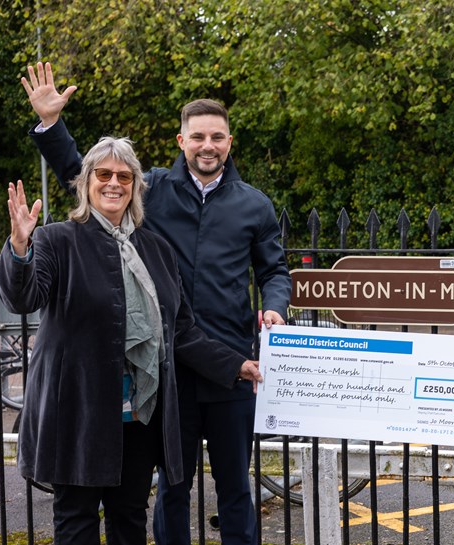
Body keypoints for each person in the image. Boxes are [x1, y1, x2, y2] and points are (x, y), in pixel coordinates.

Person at [21, 62, 292, 545]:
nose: (208, 145)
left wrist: (275, 305)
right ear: (180, 141)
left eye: (218, 137)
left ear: (230, 143)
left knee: (235, 489)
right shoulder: (154, 190)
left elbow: (273, 270)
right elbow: (90, 175)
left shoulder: (256, 205)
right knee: (172, 487)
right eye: (198, 136)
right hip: (168, 373)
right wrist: (51, 125)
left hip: (230, 363)